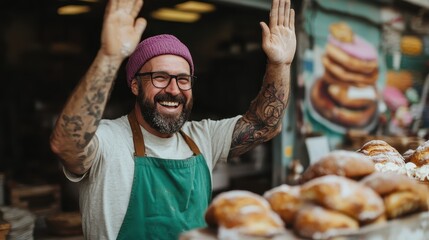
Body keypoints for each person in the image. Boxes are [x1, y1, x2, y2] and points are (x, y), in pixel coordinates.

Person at [49, 0, 296, 238]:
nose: (174, 89)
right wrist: (109, 57)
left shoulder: (204, 137)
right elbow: (67, 144)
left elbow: (264, 125)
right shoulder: (109, 140)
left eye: (183, 79)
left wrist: (280, 63)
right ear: (135, 85)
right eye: (160, 77)